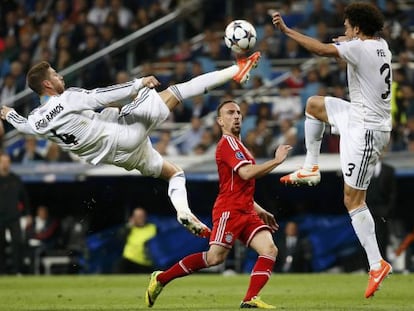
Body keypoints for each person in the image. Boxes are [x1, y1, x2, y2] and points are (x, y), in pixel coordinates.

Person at [0, 52, 260, 239]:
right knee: (177, 92)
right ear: (47, 84)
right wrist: (138, 83)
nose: (60, 77)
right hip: (122, 133)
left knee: (174, 172)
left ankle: (183, 211)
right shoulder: (67, 99)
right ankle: (237, 70)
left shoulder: (35, 121)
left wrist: (8, 113)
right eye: (55, 75)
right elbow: (101, 96)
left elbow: (22, 126)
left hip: (116, 157)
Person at [271, 2, 393, 298]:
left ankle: (377, 264)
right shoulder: (380, 45)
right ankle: (311, 166)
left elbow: (321, 50)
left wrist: (287, 31)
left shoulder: (359, 49)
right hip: (358, 115)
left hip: (366, 131)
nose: (344, 30)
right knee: (314, 105)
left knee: (352, 200)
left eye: (347, 25)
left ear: (358, 28)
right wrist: (346, 41)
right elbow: (351, 44)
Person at [145, 100, 292, 309]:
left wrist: (261, 210)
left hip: (247, 210)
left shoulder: (241, 146)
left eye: (239, 112)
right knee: (215, 258)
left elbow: (241, 185)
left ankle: (250, 298)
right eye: (230, 113)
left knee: (269, 249)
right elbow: (246, 173)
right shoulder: (228, 144)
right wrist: (276, 161)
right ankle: (161, 279)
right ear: (220, 121)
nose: (236, 116)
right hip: (229, 211)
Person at [0, 152, 31, 274]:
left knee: (17, 244)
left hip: (14, 217)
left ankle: (16, 270)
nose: (5, 164)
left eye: (7, 162)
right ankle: (1, 271)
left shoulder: (16, 179)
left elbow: (25, 198)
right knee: (0, 245)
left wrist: (28, 214)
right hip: (0, 218)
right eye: (3, 162)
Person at [116, 207, 157, 274]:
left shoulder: (153, 227)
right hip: (129, 260)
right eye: (137, 216)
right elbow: (119, 237)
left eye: (142, 216)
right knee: (119, 265)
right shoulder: (130, 228)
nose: (140, 218)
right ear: (133, 217)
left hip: (146, 262)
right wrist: (129, 225)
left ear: (145, 216)